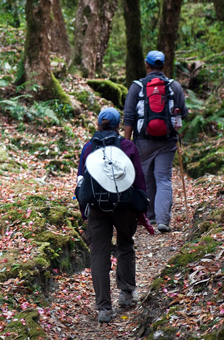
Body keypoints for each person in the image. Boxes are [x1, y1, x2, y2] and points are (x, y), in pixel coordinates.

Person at [77, 107, 148, 323]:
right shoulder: (127, 146)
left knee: (98, 254)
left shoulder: (89, 147)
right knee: (125, 244)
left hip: (97, 208)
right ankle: (126, 293)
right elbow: (138, 180)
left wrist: (84, 212)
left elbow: (81, 181)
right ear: (119, 126)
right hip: (124, 205)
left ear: (98, 124)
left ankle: (103, 308)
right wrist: (141, 208)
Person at [123, 50, 188, 233]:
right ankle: (163, 220)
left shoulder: (137, 87)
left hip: (143, 141)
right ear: (164, 66)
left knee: (145, 178)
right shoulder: (174, 86)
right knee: (163, 178)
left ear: (147, 65)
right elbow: (183, 112)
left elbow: (129, 117)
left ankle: (149, 214)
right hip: (167, 141)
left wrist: (126, 144)